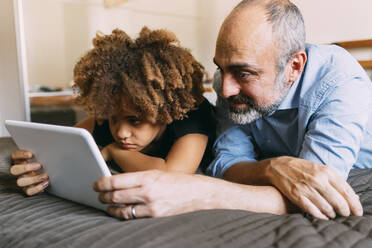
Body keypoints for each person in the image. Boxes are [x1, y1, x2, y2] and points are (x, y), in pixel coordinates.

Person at [11, 0, 366, 220]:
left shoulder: (338, 82)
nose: (223, 90)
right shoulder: (229, 84)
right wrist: (273, 167)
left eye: (243, 73)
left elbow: (315, 192)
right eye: (221, 69)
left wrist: (196, 193)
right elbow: (226, 164)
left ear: (294, 66)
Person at [10, 27, 216, 195]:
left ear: (164, 111)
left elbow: (173, 175)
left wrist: (113, 151)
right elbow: (64, 144)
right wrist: (32, 161)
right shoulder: (108, 116)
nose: (120, 133)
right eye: (112, 119)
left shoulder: (192, 115)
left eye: (134, 120)